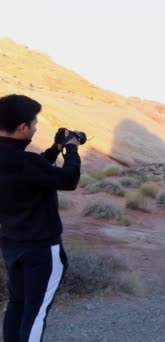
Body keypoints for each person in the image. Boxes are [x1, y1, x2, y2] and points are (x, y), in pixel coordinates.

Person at [0, 94, 81, 342]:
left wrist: (54, 150)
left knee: (17, 305)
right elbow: (68, 180)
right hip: (40, 249)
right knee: (35, 313)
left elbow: (30, 172)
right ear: (22, 127)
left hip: (10, 244)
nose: (35, 128)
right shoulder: (26, 161)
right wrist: (72, 149)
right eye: (34, 124)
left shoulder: (17, 160)